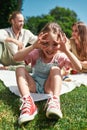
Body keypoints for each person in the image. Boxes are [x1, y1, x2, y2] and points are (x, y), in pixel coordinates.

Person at [13, 22, 82, 125]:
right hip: (34, 86)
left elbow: (79, 67)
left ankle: (54, 101)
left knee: (55, 69)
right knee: (19, 68)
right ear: (41, 42)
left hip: (49, 88)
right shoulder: (37, 53)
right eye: (46, 43)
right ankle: (28, 102)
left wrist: (66, 51)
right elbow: (16, 58)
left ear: (60, 44)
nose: (50, 49)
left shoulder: (60, 56)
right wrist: (33, 46)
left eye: (55, 44)